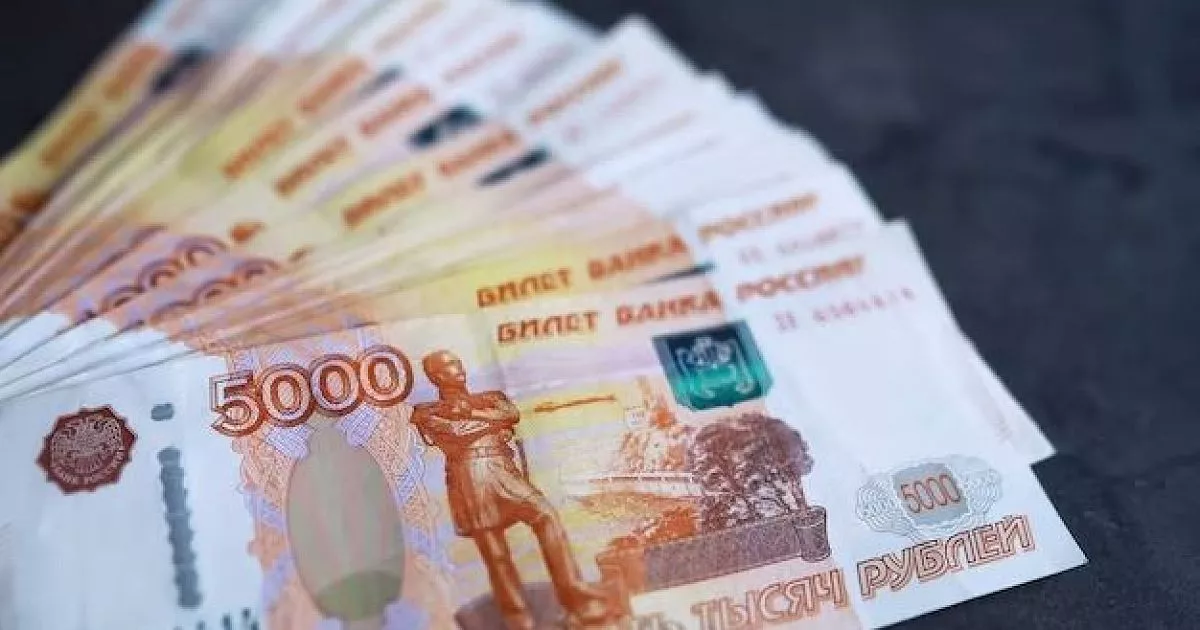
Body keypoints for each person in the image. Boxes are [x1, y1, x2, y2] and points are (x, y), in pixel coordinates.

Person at [412, 350, 611, 629]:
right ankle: (519, 621)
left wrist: (472, 414)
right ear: (436, 376)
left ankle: (577, 597)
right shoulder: (426, 412)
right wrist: (492, 423)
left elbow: (511, 414)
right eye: (449, 366)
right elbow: (457, 433)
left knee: (546, 515)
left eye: (457, 362)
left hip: (504, 469)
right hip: (470, 478)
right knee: (495, 554)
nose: (458, 368)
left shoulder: (492, 397)